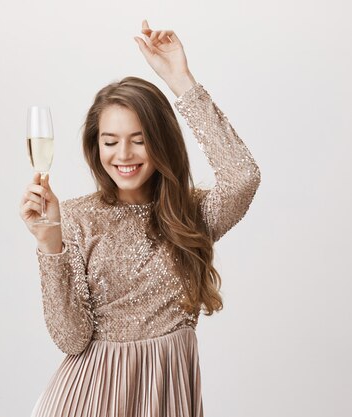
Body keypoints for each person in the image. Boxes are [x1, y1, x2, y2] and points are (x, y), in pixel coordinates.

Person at [19, 19, 261, 417]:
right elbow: (71, 338)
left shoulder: (190, 214)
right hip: (88, 400)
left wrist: (181, 80)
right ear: (95, 146)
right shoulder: (77, 217)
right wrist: (49, 242)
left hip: (166, 394)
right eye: (110, 141)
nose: (123, 155)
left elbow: (243, 177)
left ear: (161, 140)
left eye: (139, 139)